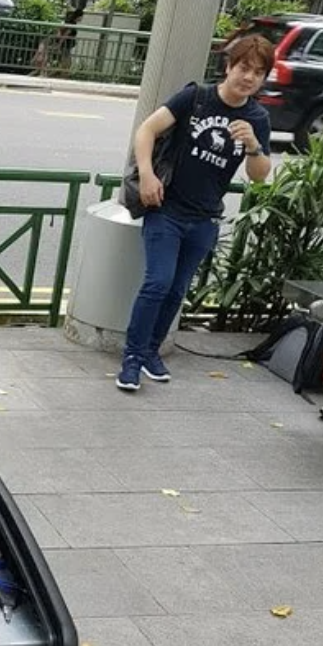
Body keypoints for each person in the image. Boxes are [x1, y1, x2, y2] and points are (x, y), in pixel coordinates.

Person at [116, 34, 274, 392]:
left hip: (205, 219)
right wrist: (147, 175)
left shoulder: (257, 118)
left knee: (176, 291)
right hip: (167, 209)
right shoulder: (197, 97)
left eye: (258, 72)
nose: (248, 77)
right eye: (244, 68)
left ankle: (151, 352)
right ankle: (132, 357)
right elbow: (147, 129)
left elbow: (259, 176)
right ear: (229, 66)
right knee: (157, 283)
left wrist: (252, 145)